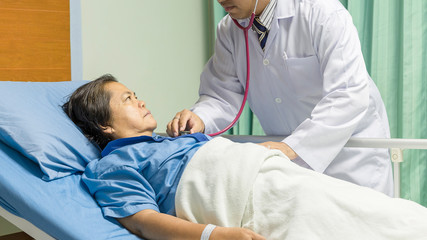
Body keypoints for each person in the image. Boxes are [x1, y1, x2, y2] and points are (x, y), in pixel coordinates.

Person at [64, 74, 427, 240]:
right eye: (126, 99)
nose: (140, 100)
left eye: (136, 93)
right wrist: (213, 235)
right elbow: (142, 221)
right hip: (247, 198)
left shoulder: (171, 139)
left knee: (384, 212)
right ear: (104, 125)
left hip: (274, 174)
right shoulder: (110, 167)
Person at [167, 0, 393, 196]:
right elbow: (221, 96)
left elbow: (348, 94)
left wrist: (291, 148)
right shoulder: (229, 29)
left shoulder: (321, 12)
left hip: (351, 158)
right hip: (288, 162)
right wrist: (200, 118)